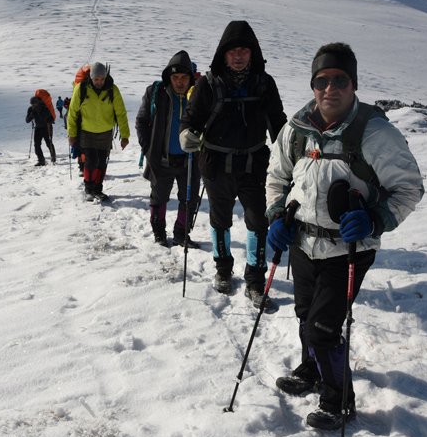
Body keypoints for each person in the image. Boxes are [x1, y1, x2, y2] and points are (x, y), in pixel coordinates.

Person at [264, 42, 424, 431]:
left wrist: (374, 220)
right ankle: (312, 369)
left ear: (353, 84)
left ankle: (339, 401)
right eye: (322, 80)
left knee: (323, 328)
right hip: (303, 242)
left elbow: (408, 189)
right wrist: (275, 217)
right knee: (306, 317)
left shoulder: (375, 133)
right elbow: (276, 179)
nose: (329, 88)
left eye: (339, 80)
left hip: (348, 249)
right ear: (313, 84)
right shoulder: (296, 130)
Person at [179, 21, 287, 305]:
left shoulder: (265, 83)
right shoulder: (208, 84)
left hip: (253, 165)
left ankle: (255, 280)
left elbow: (278, 123)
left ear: (253, 53)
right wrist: (187, 133)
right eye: (232, 51)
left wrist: (291, 151)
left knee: (257, 222)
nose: (238, 56)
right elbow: (190, 119)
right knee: (220, 221)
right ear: (223, 54)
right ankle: (223, 270)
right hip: (216, 165)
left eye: (244, 50)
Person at [136, 51, 202, 248]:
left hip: (190, 161)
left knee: (189, 200)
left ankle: (181, 234)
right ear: (169, 77)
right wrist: (149, 150)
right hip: (162, 160)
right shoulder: (156, 92)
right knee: (159, 199)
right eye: (175, 78)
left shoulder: (199, 96)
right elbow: (141, 122)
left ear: (191, 77)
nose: (180, 82)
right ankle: (159, 234)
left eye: (184, 77)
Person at [67, 62, 130, 201]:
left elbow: (121, 113)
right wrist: (72, 135)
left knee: (102, 162)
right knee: (91, 161)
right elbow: (72, 113)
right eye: (96, 79)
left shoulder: (113, 90)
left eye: (102, 79)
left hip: (105, 133)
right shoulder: (81, 89)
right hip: (86, 132)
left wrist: (125, 135)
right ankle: (89, 189)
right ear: (91, 77)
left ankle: (98, 189)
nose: (99, 82)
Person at [25, 94, 57, 166]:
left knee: (48, 143)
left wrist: (47, 119)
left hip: (47, 127)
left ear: (38, 102)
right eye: (32, 104)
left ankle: (53, 157)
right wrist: (31, 115)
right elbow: (27, 120)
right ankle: (41, 160)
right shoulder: (31, 109)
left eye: (34, 103)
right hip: (38, 128)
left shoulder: (44, 108)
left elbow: (52, 119)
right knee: (36, 145)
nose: (33, 105)